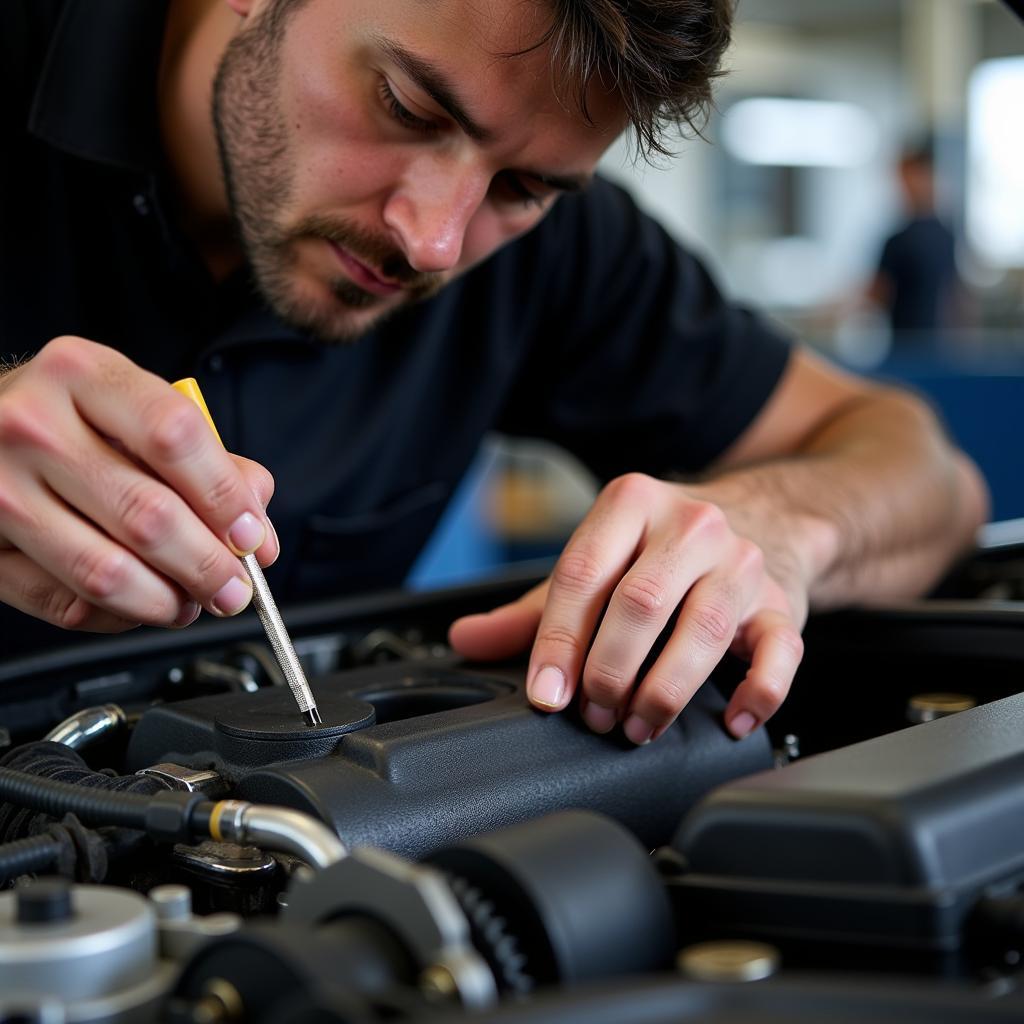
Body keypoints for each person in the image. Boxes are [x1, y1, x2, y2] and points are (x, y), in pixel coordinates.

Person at [0, 0, 987, 747]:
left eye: (521, 188)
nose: (431, 242)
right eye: (406, 104)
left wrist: (778, 528)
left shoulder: (554, 255)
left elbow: (929, 478)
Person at [869, 144, 963, 342]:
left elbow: (955, 296)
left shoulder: (944, 237)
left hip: (930, 349)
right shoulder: (899, 241)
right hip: (909, 348)